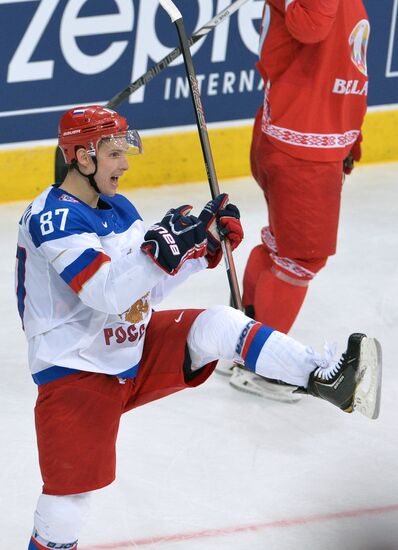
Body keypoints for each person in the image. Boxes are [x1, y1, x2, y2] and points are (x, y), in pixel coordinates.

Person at [16, 105, 381, 550]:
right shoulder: (51, 218)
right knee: (68, 507)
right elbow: (106, 293)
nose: (125, 163)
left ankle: (324, 379)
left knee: (220, 325)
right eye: (113, 154)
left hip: (131, 349)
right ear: (83, 157)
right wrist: (164, 251)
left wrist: (197, 249)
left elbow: (141, 296)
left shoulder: (120, 208)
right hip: (75, 370)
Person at [220, 0, 370, 401]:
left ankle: (236, 345)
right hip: (303, 147)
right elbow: (312, 26)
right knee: (301, 258)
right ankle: (263, 367)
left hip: (298, 135)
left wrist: (350, 135)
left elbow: (347, 61)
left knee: (280, 246)